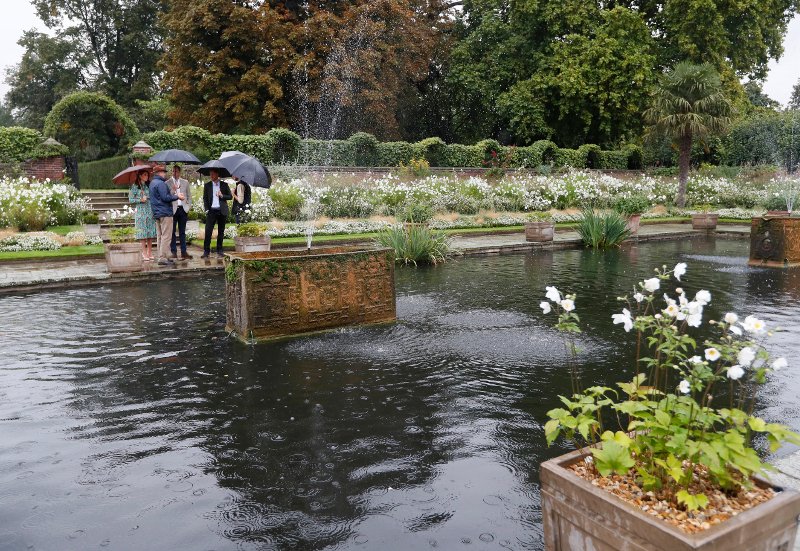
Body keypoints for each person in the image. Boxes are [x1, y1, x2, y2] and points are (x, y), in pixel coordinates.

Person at [149, 165, 184, 266]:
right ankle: (163, 258)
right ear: (159, 173)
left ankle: (162, 256)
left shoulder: (152, 183)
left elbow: (161, 197)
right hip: (165, 213)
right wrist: (177, 196)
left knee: (160, 236)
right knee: (166, 236)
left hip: (157, 213)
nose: (165, 173)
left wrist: (173, 191)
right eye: (164, 172)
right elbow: (165, 198)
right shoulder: (161, 183)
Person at [202, 169, 232, 258]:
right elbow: (205, 198)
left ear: (217, 174)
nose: (211, 176)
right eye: (210, 174)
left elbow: (230, 196)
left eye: (212, 174)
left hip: (221, 210)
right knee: (208, 231)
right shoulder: (207, 185)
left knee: (221, 231)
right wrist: (207, 209)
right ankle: (206, 251)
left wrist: (222, 195)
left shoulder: (224, 185)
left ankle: (220, 250)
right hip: (211, 211)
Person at [129, 168, 157, 261]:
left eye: (147, 175)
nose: (147, 176)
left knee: (150, 232)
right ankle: (144, 252)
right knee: (142, 233)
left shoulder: (149, 185)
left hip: (150, 210)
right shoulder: (135, 186)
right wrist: (140, 200)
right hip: (141, 212)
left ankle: (149, 252)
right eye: (145, 175)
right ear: (140, 176)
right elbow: (131, 199)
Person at [168, 165, 193, 260]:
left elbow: (189, 196)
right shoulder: (168, 183)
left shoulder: (185, 182)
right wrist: (173, 190)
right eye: (173, 171)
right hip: (173, 210)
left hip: (183, 209)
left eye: (177, 171)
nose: (175, 173)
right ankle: (173, 252)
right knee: (172, 232)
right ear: (171, 172)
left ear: (180, 172)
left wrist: (188, 207)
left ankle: (183, 252)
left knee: (182, 232)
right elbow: (167, 196)